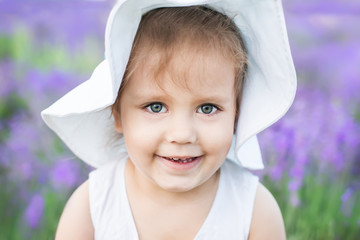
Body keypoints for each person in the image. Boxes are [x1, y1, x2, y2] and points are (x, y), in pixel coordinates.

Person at [42, 0, 296, 239]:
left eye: (207, 108)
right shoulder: (91, 206)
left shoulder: (254, 210)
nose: (182, 134)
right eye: (155, 106)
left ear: (237, 114)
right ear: (117, 113)